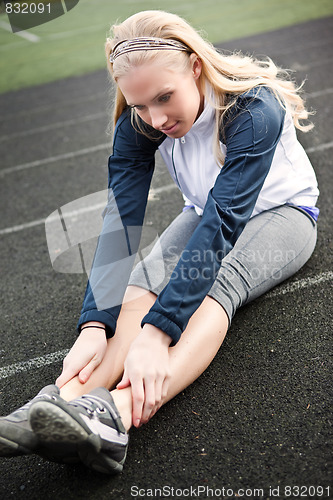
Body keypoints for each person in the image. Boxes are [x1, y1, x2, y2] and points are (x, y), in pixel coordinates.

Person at [0, 10, 319, 475]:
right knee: (141, 283)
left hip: (283, 214)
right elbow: (121, 224)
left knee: (214, 284)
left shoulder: (254, 110)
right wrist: (93, 325)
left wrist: (158, 333)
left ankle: (114, 419)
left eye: (165, 98)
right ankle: (57, 406)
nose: (156, 118)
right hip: (203, 212)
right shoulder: (141, 121)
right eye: (140, 105)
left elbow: (222, 222)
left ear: (194, 66)